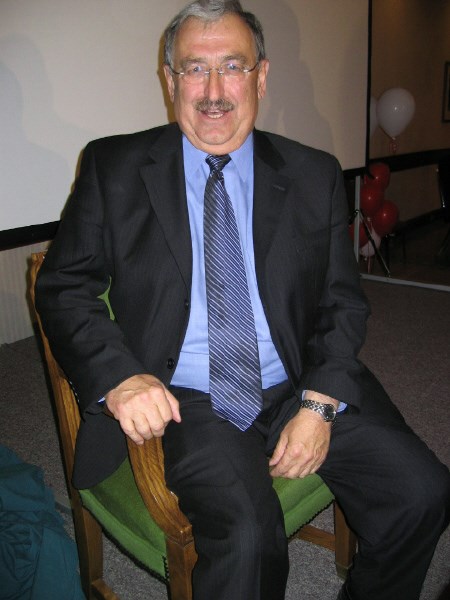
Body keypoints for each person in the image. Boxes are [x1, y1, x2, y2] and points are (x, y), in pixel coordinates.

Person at [35, 1, 450, 599]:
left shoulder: (312, 173)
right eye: (193, 68)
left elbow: (341, 300)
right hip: (189, 396)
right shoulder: (114, 166)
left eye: (231, 66)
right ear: (169, 78)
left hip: (297, 377)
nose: (212, 91)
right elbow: (63, 284)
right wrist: (121, 376)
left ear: (261, 76)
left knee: (423, 492)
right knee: (251, 540)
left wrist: (321, 402)